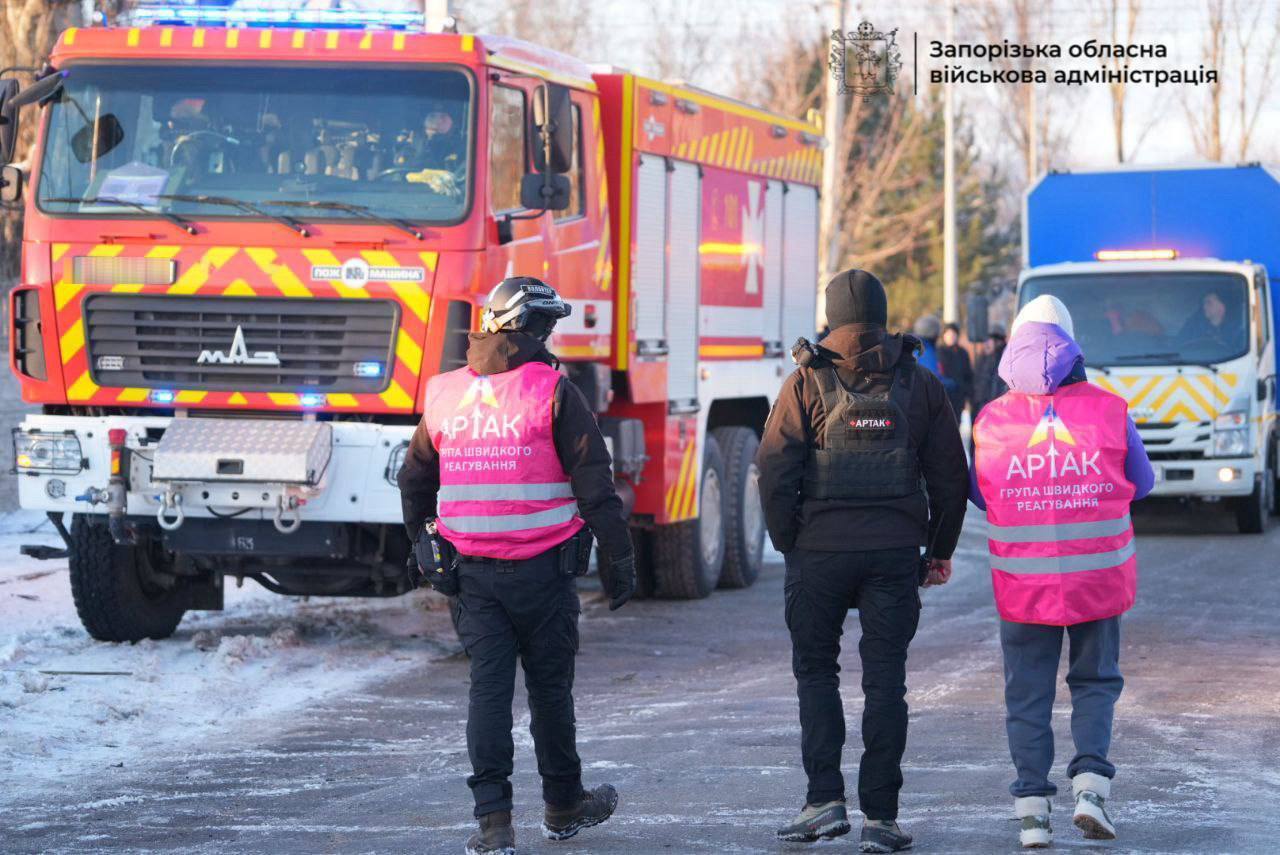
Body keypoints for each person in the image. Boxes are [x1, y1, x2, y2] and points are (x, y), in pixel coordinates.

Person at [397, 277, 636, 855]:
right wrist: (621, 560)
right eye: (546, 326)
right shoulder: (552, 390)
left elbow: (413, 480)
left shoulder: (445, 392)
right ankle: (562, 806)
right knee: (550, 690)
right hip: (545, 572)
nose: (551, 336)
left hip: (470, 576)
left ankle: (493, 823)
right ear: (529, 329)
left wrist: (421, 544)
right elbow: (595, 486)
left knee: (488, 691)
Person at [757, 269, 969, 853]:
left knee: (816, 674)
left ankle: (823, 801)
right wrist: (940, 550)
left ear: (830, 317)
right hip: (894, 555)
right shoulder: (920, 382)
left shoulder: (805, 382)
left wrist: (789, 543)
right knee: (886, 684)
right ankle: (882, 816)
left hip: (818, 555)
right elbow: (951, 478)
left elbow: (775, 471)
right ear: (882, 311)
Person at [969, 295, 1153, 849]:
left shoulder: (991, 419)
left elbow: (980, 494)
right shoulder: (1110, 409)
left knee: (1026, 695)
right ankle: (1092, 787)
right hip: (1099, 580)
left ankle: (1031, 813)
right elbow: (1141, 484)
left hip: (1025, 585)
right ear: (1072, 346)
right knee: (1095, 683)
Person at [1178, 289, 1244, 350]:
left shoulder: (1238, 333)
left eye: (1209, 303)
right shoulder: (1193, 328)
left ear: (1222, 306)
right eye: (1203, 303)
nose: (1204, 307)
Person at [937, 322, 974, 422]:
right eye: (948, 334)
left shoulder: (962, 353)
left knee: (956, 424)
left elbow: (968, 375)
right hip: (943, 397)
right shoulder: (938, 351)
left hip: (959, 397)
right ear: (943, 335)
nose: (951, 337)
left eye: (953, 334)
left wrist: (968, 394)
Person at [972, 326, 1008, 416]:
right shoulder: (983, 357)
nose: (989, 343)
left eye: (994, 340)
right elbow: (977, 381)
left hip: (998, 404)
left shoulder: (1005, 357)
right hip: (983, 403)